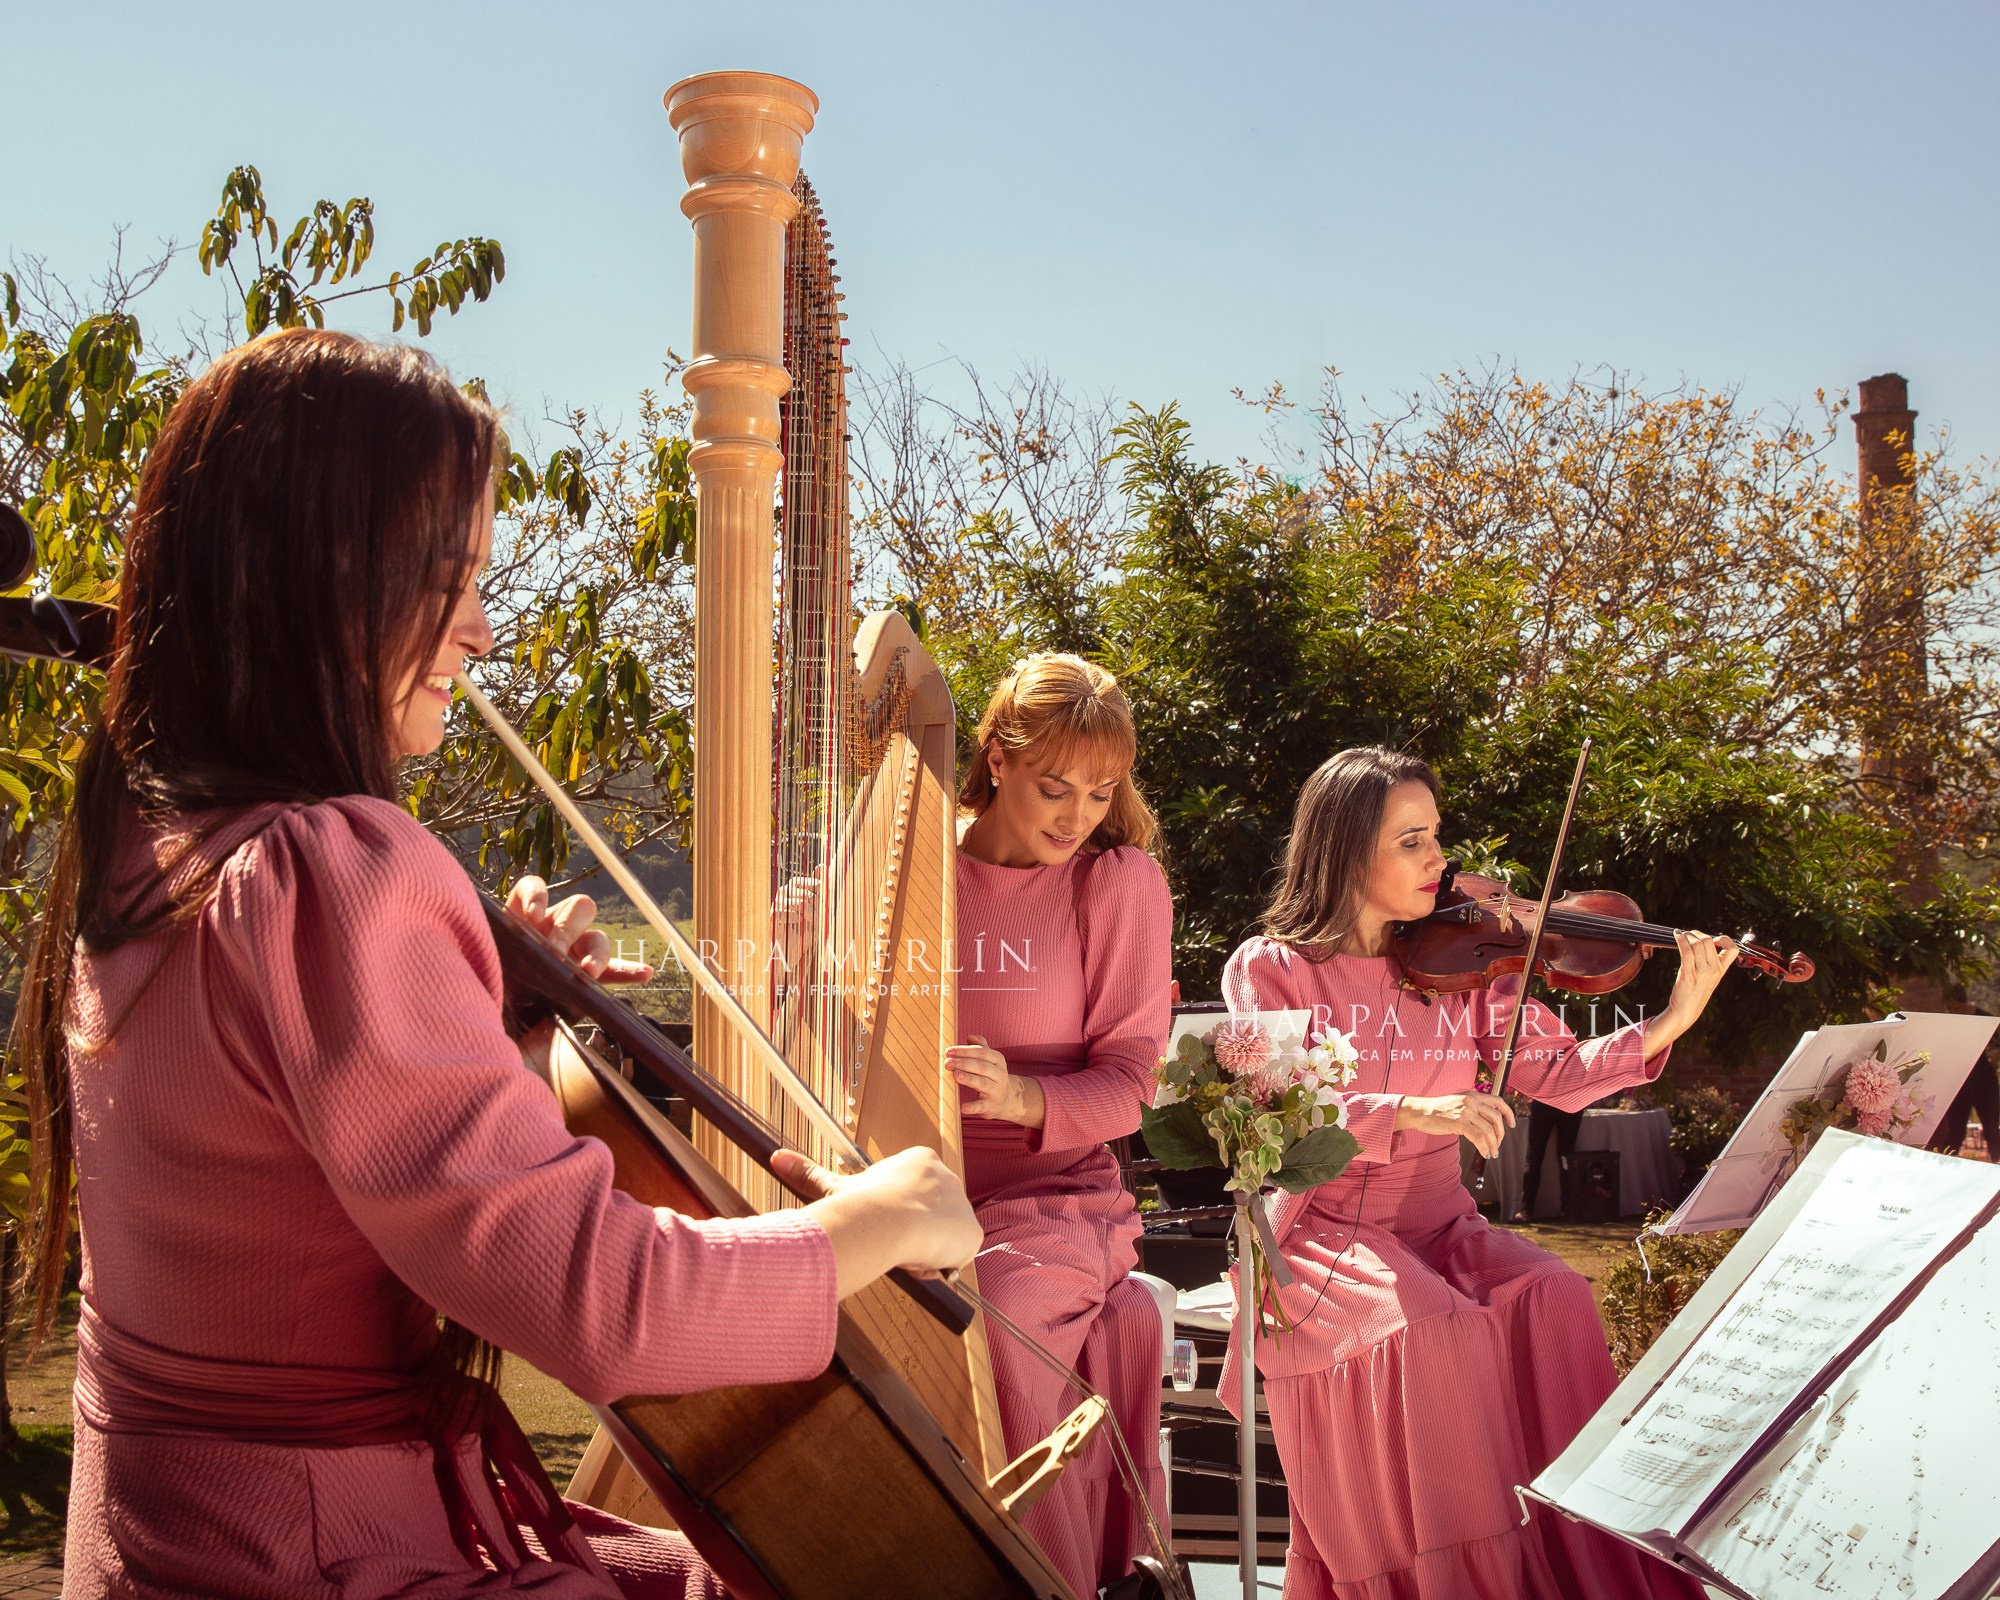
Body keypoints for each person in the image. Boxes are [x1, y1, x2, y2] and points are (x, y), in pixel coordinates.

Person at [10, 328, 983, 1599]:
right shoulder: (338, 870)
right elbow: (604, 1308)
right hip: (326, 1549)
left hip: (171, 1532)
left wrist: (490, 1036)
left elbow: (300, 1186)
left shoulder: (147, 850)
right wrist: (883, 1212)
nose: (479, 633)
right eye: (449, 579)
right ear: (328, 580)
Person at [1219, 747, 1734, 1600]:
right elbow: (1279, 1119)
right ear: (1347, 850)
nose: (1440, 864)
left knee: (1557, 1296)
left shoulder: (1466, 964)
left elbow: (1559, 1073)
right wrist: (1415, 1111)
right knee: (1432, 1326)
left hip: (1438, 1224)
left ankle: (1574, 1571)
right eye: (1412, 842)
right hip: (1318, 1235)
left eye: (1437, 839)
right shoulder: (1270, 966)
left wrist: (1675, 1014)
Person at [945, 653, 1171, 1597]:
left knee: (991, 1323)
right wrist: (804, 933)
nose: (1077, 815)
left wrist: (1023, 1100)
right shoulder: (905, 868)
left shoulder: (1114, 883)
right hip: (910, 1183)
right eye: (1054, 787)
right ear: (997, 758)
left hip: (1056, 1200)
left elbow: (1131, 1082)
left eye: (1100, 791)